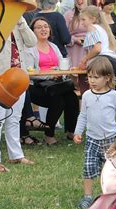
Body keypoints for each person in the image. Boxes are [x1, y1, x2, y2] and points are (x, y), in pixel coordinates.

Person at [74, 57, 116, 209]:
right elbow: (83, 115)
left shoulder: (114, 96)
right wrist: (78, 132)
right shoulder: (87, 96)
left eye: (96, 77)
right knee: (88, 167)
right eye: (90, 77)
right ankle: (88, 197)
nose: (92, 81)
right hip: (92, 139)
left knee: (112, 171)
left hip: (111, 140)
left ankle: (113, 196)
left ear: (107, 77)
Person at [0, 17, 37, 172]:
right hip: (0, 77)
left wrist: (21, 22)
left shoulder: (18, 22)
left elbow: (32, 42)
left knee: (14, 118)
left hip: (19, 77)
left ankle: (16, 155)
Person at [27, 17, 80, 145]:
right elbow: (29, 73)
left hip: (56, 85)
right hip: (37, 86)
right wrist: (49, 75)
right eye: (39, 27)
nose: (43, 29)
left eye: (46, 26)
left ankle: (70, 131)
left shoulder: (54, 46)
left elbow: (62, 65)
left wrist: (59, 73)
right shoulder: (30, 49)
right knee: (59, 99)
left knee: (71, 97)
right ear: (32, 31)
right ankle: (48, 135)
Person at [79, 5, 116, 88]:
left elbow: (97, 49)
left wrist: (84, 59)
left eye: (84, 19)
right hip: (114, 63)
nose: (82, 23)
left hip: (103, 63)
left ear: (93, 19)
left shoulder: (92, 28)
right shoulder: (102, 29)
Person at [64, 0, 89, 93]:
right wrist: (74, 39)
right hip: (74, 51)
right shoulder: (68, 15)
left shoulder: (94, 12)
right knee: (76, 85)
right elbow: (64, 35)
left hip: (89, 50)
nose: (80, 1)